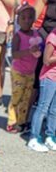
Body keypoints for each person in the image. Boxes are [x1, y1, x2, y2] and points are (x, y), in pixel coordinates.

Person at [7, 5, 42, 132]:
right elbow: (14, 54)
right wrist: (28, 51)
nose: (27, 20)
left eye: (30, 17)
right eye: (23, 18)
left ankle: (21, 121)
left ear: (34, 19)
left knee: (26, 98)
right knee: (17, 96)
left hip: (30, 72)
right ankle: (12, 121)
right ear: (18, 21)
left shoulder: (36, 34)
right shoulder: (18, 36)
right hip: (19, 72)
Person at [27, 23, 56, 151]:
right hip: (49, 77)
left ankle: (50, 136)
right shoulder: (52, 37)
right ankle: (34, 137)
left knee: (54, 110)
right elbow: (46, 60)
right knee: (43, 107)